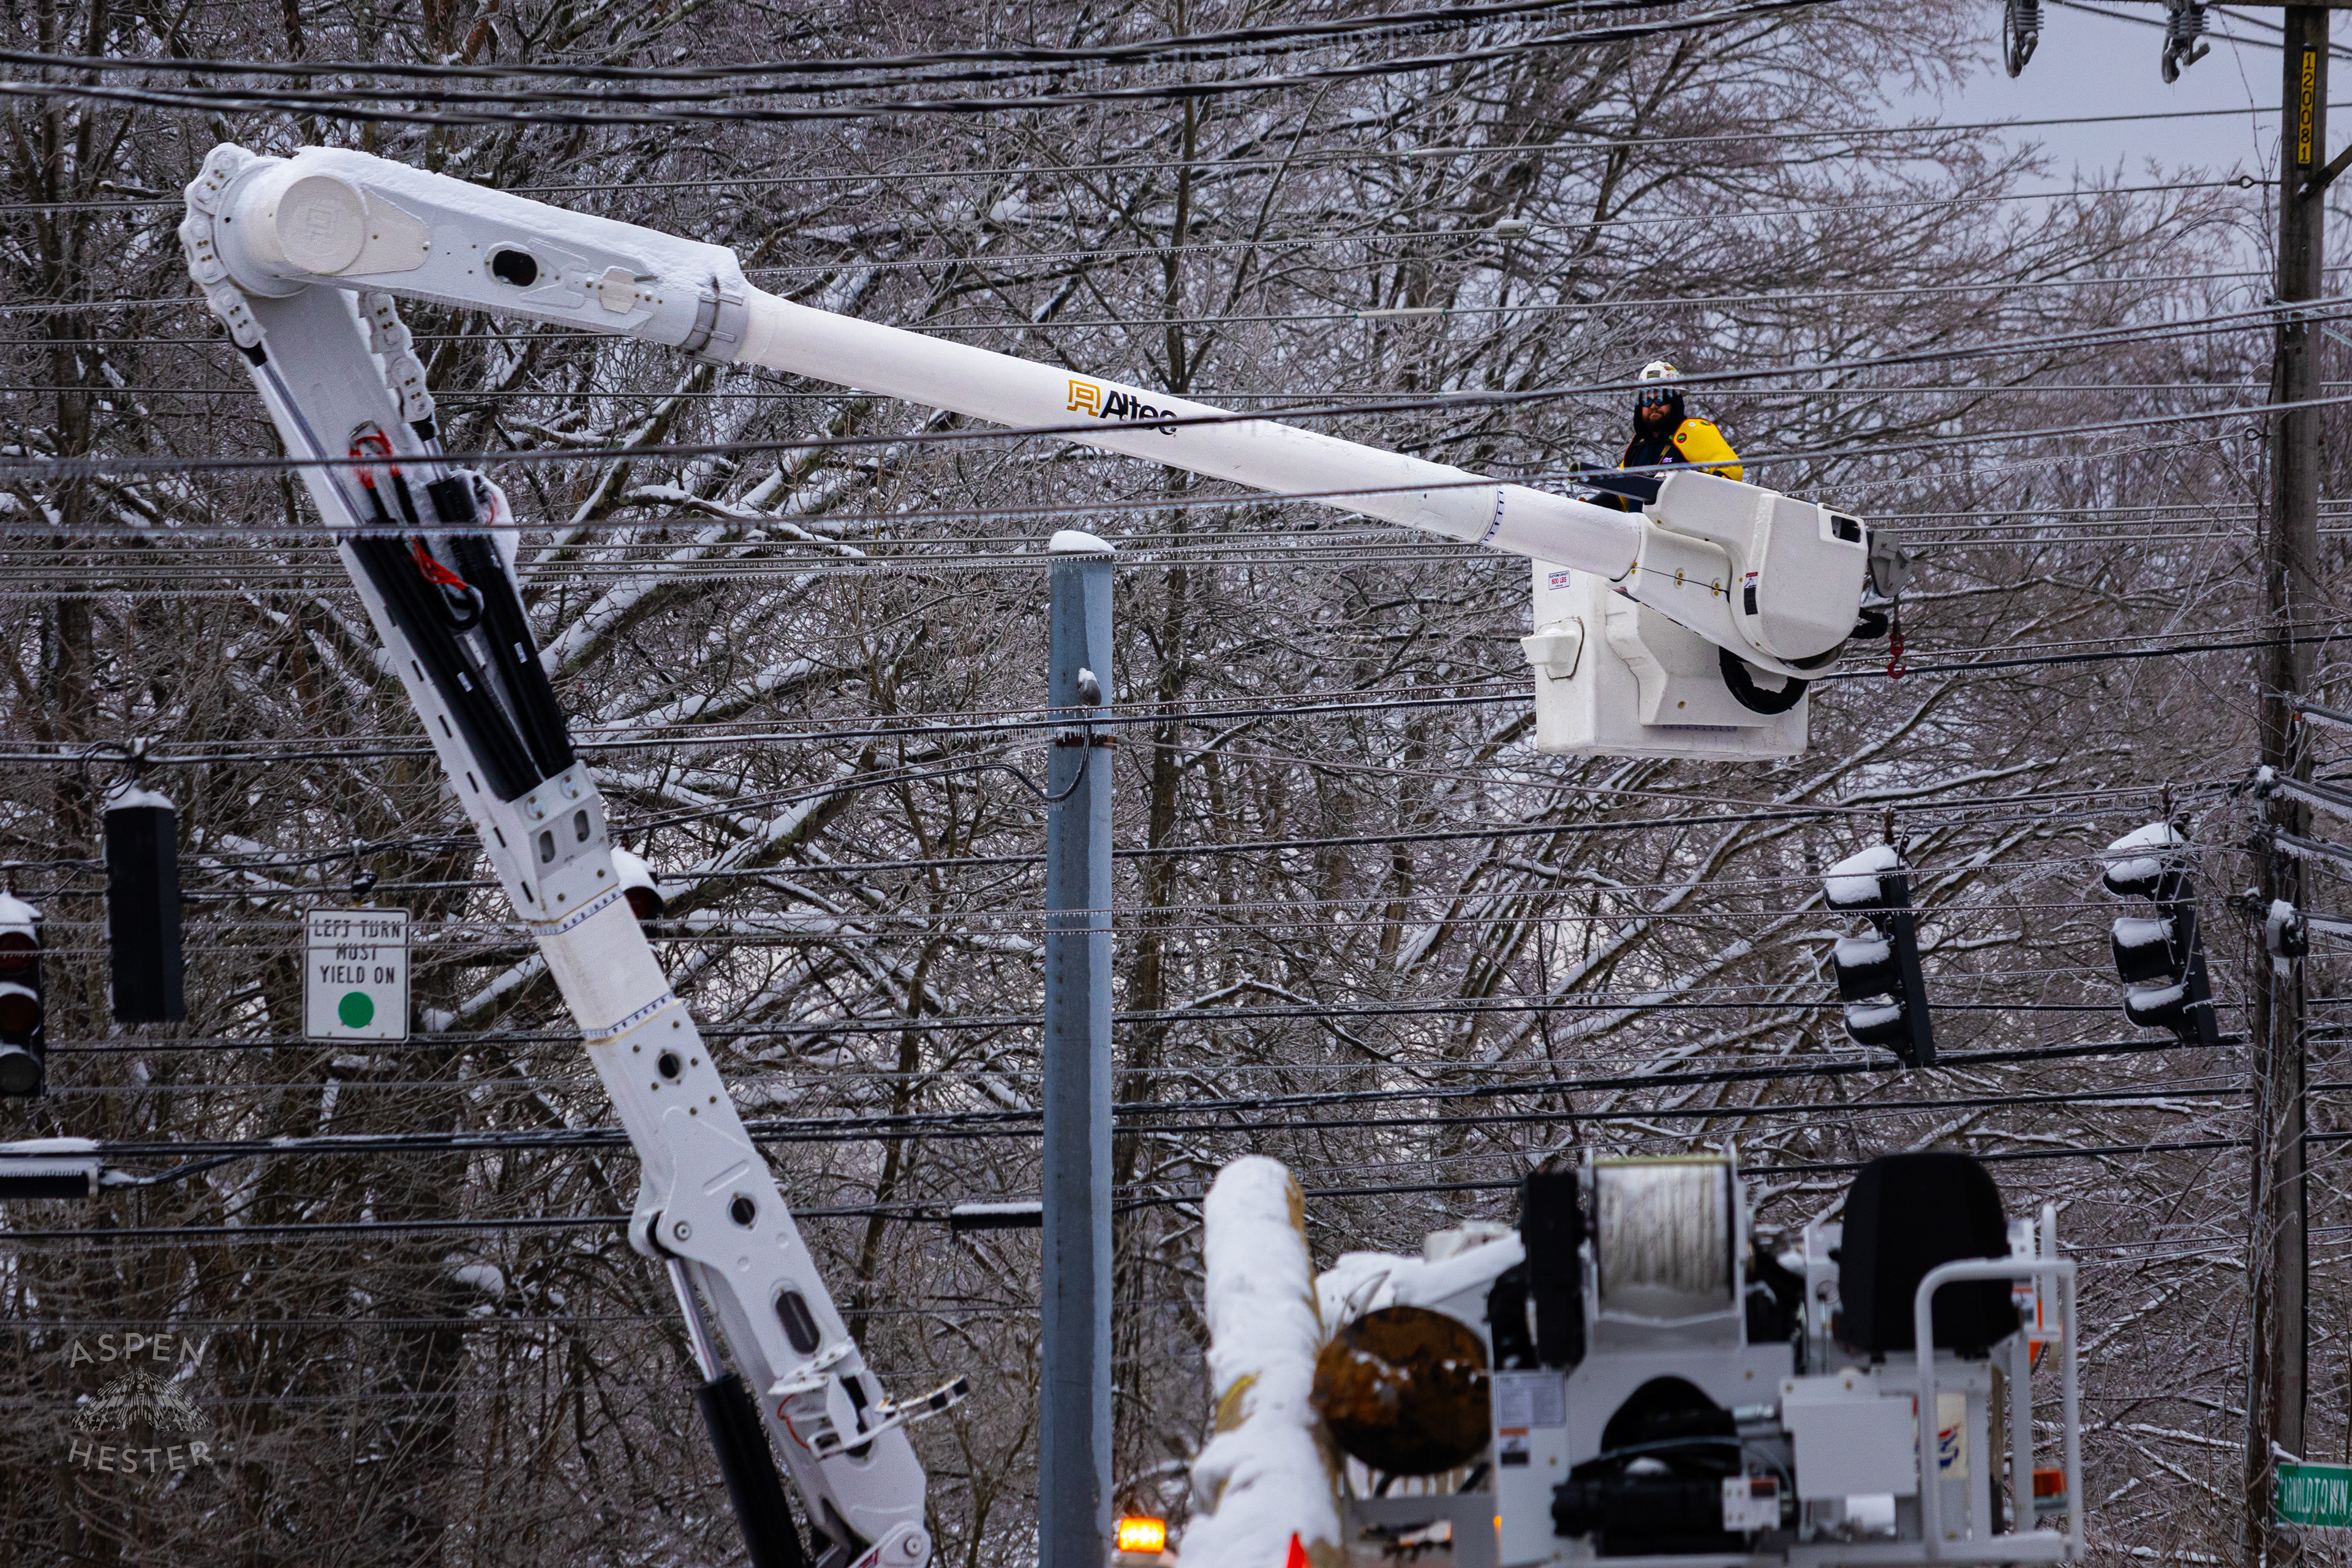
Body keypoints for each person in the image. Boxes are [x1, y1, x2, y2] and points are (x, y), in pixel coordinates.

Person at [1585, 361, 1741, 510]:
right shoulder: (1639, 445)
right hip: (1641, 531)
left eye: (1661, 398)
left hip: (1680, 532)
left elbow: (1731, 472)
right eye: (1647, 400)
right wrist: (1586, 508)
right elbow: (1620, 495)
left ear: (1676, 400)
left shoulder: (1693, 431)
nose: (1653, 406)